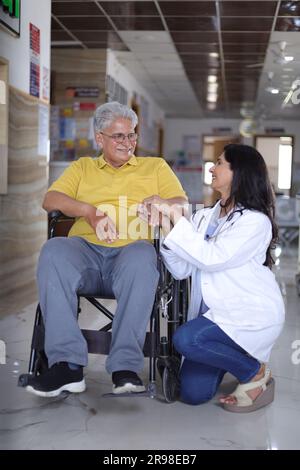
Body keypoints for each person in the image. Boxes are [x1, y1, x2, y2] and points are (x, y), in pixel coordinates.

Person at [25, 101, 187, 398]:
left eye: (133, 135)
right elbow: (51, 200)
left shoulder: (155, 167)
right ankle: (66, 366)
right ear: (100, 138)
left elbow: (182, 203)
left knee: (142, 255)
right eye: (120, 136)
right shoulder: (82, 167)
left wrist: (161, 203)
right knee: (54, 251)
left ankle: (124, 367)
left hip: (131, 255)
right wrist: (88, 211)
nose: (129, 142)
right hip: (85, 251)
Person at [160, 144, 285, 412]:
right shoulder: (204, 217)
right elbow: (181, 270)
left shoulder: (255, 221)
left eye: (219, 163)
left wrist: (174, 215)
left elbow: (211, 258)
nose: (211, 168)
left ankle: (253, 373)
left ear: (238, 172)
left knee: (186, 340)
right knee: (193, 394)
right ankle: (234, 357)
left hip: (248, 314)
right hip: (214, 317)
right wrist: (165, 227)